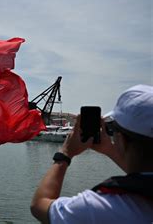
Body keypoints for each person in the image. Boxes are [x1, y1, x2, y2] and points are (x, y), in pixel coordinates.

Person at [30, 84, 153, 223]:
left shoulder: (100, 208)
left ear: (122, 139)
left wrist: (65, 154)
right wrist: (109, 149)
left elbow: (39, 205)